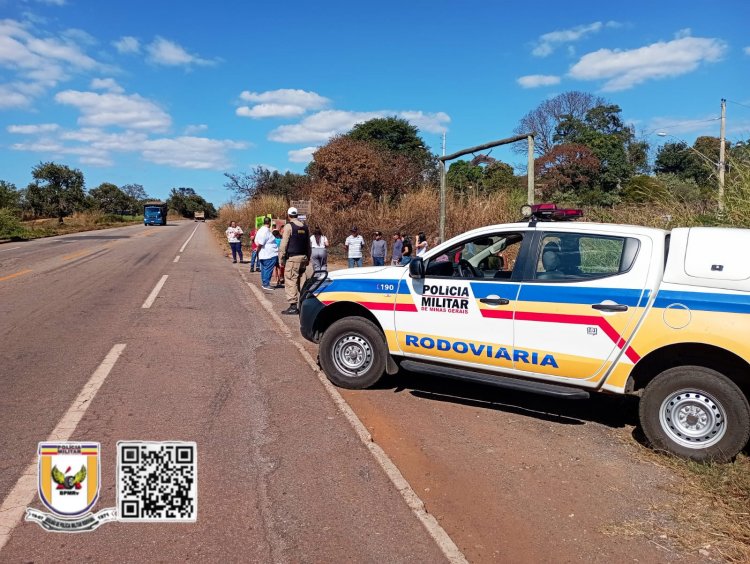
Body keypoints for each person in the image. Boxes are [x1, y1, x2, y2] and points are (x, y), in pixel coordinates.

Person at [279, 206, 311, 315]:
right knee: (301, 280)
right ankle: (304, 302)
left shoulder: (289, 226)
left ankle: (293, 306)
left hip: (293, 258)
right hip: (303, 257)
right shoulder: (305, 227)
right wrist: (308, 257)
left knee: (290, 280)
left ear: (288, 216)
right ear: (297, 215)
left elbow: (284, 244)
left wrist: (281, 258)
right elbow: (308, 244)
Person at [254, 217, 278, 291]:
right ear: (269, 223)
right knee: (268, 269)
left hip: (264, 253)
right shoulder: (265, 231)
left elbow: (257, 240)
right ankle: (266, 284)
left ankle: (265, 283)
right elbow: (261, 243)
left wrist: (258, 250)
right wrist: (258, 250)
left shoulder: (261, 230)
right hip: (269, 254)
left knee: (264, 269)